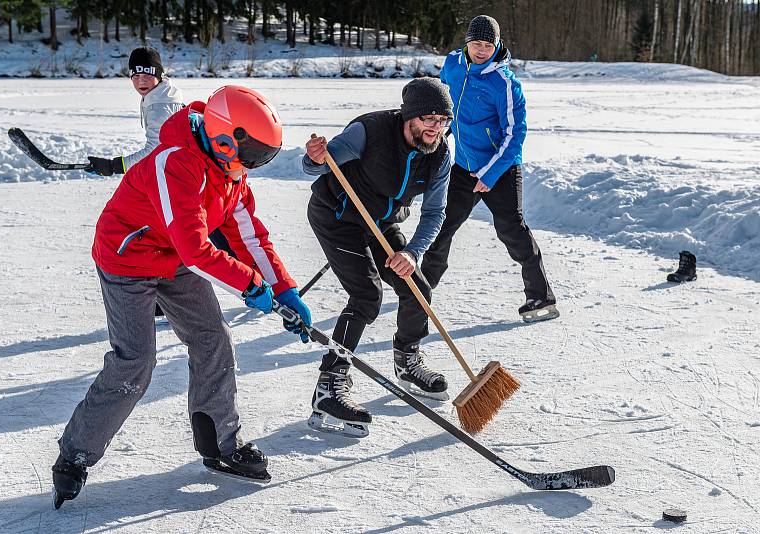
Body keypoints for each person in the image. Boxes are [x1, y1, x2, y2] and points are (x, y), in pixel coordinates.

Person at [51, 85, 312, 508]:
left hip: (171, 259)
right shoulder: (178, 162)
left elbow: (247, 234)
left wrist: (284, 289)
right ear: (227, 138)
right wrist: (251, 287)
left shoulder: (231, 174)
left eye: (263, 158)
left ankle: (220, 443)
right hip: (128, 257)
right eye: (253, 156)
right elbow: (196, 248)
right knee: (134, 361)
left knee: (213, 338)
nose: (253, 167)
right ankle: (75, 454)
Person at [302, 78, 453, 437]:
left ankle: (407, 360)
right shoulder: (368, 131)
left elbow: (436, 212)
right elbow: (315, 167)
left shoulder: (441, 153)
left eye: (443, 120)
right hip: (338, 216)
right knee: (367, 296)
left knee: (416, 286)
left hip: (381, 222)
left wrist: (412, 252)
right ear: (409, 116)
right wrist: (314, 157)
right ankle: (330, 385)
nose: (435, 127)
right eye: (428, 118)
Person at [421, 15, 559, 323]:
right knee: (442, 225)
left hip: (501, 169)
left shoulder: (505, 83)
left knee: (512, 229)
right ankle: (424, 285)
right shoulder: (454, 64)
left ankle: (541, 296)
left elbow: (515, 134)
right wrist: (438, 133)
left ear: (496, 46)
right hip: (464, 165)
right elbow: (443, 103)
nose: (482, 50)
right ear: (467, 42)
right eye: (477, 44)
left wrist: (491, 173)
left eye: (488, 45)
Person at [86, 46, 184, 177]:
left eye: (147, 75)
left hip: (175, 173)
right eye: (136, 75)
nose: (141, 81)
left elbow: (156, 151)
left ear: (159, 75)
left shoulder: (160, 106)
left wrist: (114, 166)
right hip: (170, 167)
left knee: (126, 194)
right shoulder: (162, 94)